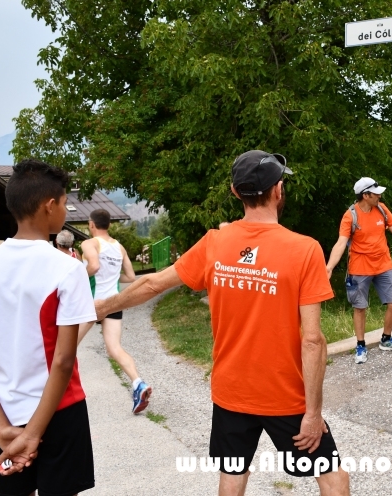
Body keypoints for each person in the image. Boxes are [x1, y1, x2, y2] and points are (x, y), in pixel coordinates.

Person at [93, 150, 350, 495]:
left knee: (231, 482)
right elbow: (313, 340)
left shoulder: (215, 243)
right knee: (334, 480)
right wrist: (313, 413)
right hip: (286, 397)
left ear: (235, 192)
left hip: (230, 394)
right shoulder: (305, 250)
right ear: (278, 190)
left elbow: (153, 283)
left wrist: (102, 307)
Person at [0, 159, 96, 494]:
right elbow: (63, 361)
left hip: (4, 417)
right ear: (49, 207)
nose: (66, 209)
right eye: (65, 203)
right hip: (60, 414)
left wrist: (0, 427)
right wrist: (35, 433)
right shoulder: (67, 269)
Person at [325, 177, 392, 364]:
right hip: (359, 268)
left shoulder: (382, 209)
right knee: (360, 308)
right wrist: (329, 267)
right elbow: (341, 242)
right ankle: (360, 345)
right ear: (365, 195)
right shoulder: (350, 216)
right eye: (375, 193)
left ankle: (386, 339)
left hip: (384, 265)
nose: (379, 195)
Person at [77, 209, 147, 414]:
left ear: (91, 224)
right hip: (113, 302)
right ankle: (137, 383)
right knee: (115, 348)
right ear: (109, 224)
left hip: (93, 303)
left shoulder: (89, 243)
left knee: (67, 347)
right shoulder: (120, 247)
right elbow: (131, 277)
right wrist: (112, 279)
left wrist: (75, 278)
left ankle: (57, 393)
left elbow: (94, 266)